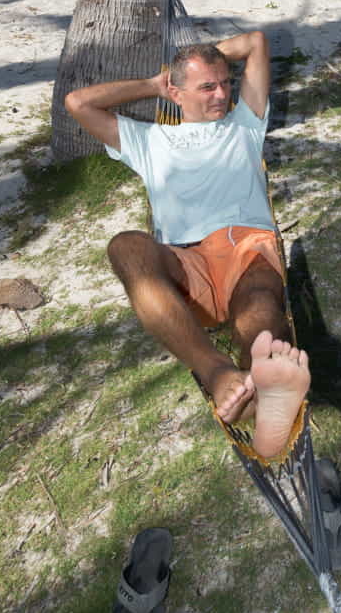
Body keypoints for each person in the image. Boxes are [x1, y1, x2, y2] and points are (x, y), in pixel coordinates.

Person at [65, 30, 309, 459]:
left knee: (257, 306)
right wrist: (154, 84)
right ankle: (217, 371)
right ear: (176, 93)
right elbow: (78, 103)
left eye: (226, 83)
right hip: (184, 263)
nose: (221, 94)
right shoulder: (146, 140)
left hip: (244, 247)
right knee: (125, 245)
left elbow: (254, 41)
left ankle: (260, 389)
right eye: (208, 87)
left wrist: (204, 62)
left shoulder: (246, 121)